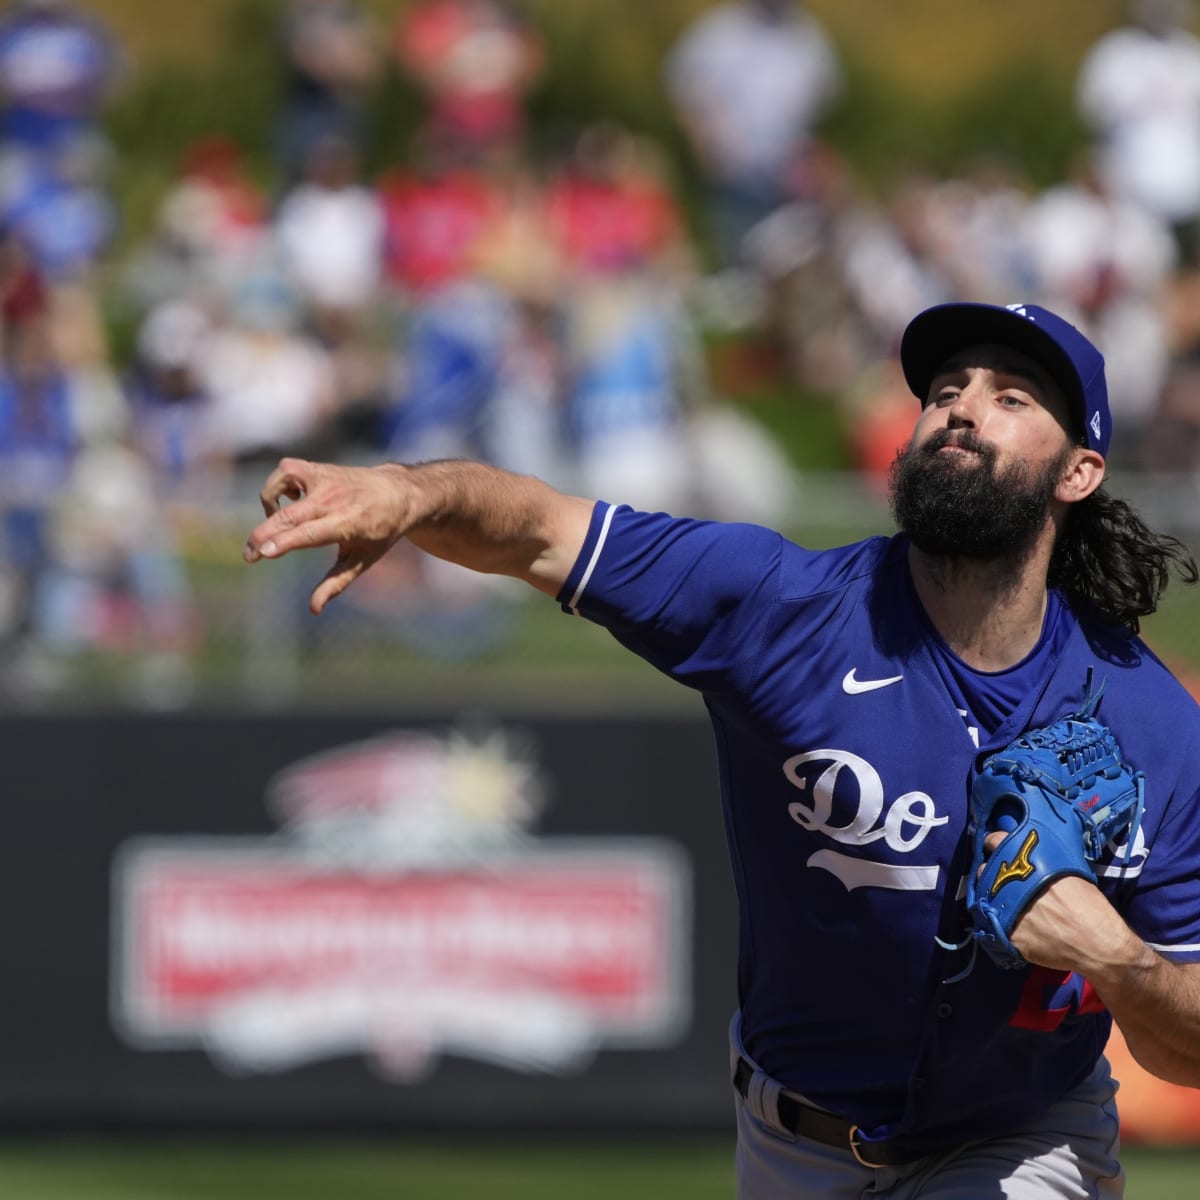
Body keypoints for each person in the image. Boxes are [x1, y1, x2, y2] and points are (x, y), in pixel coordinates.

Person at [243, 300, 1200, 1198]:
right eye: (945, 391)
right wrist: (407, 491)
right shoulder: (781, 608)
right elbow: (539, 529)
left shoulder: (1146, 718)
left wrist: (1118, 961)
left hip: (1023, 1136)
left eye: (1012, 398)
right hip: (792, 1140)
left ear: (1079, 471)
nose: (961, 411)